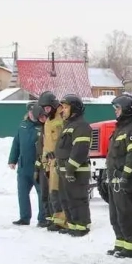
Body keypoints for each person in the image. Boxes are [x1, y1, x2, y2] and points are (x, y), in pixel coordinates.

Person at [105, 94, 132, 258]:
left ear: (127, 110)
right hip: (115, 180)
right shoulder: (119, 129)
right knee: (116, 216)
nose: (116, 111)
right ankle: (121, 243)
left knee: (128, 215)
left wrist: (126, 177)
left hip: (125, 181)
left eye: (118, 108)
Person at [57, 94, 94, 236]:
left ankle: (82, 226)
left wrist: (70, 169)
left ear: (74, 109)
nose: (63, 110)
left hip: (77, 171)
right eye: (62, 107)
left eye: (66, 107)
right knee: (67, 199)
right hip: (66, 171)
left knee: (78, 199)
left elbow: (80, 150)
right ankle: (73, 225)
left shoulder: (81, 126)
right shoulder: (68, 125)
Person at [8, 104, 46, 226]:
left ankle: (43, 218)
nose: (31, 114)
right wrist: (12, 160)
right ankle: (24, 218)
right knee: (22, 193)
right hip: (24, 166)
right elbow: (16, 143)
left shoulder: (43, 126)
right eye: (29, 111)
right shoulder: (22, 126)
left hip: (38, 167)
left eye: (33, 112)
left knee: (42, 193)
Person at [40, 92, 67, 232]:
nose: (45, 111)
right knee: (53, 193)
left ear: (54, 105)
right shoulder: (48, 122)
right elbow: (46, 144)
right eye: (44, 108)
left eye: (47, 108)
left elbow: (66, 141)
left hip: (60, 160)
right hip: (50, 162)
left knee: (59, 192)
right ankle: (57, 220)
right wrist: (44, 162)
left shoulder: (62, 118)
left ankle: (64, 220)